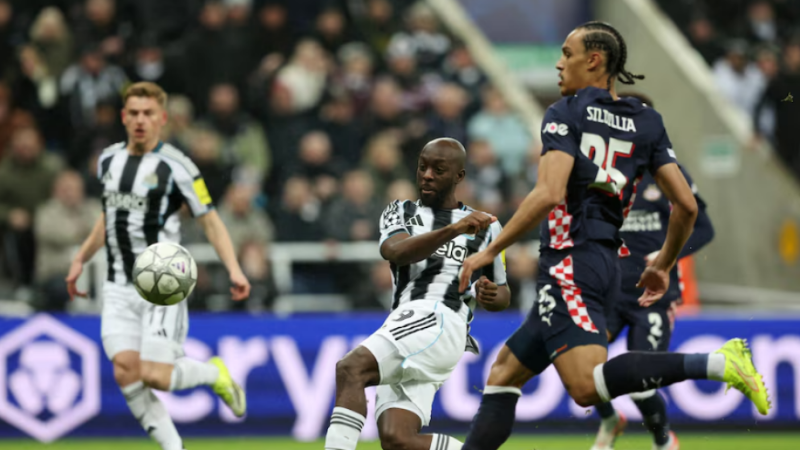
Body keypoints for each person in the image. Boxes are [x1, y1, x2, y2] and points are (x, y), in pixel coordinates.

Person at [456, 22, 770, 450]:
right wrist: (664, 263)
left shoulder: (565, 112)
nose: (559, 63)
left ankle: (717, 363)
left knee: (586, 388)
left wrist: (489, 251)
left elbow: (549, 194)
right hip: (604, 265)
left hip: (569, 261)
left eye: (567, 54)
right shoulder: (647, 122)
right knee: (504, 373)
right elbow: (688, 207)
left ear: (594, 60)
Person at [65, 82, 250, 450]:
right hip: (117, 284)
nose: (140, 120)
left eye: (148, 114)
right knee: (126, 371)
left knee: (156, 376)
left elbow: (210, 220)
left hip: (161, 283)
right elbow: (108, 216)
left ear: (162, 119)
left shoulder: (179, 167)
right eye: (133, 113)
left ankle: (214, 373)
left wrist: (234, 268)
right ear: (123, 117)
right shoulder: (108, 160)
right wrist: (80, 258)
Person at [323, 138, 511, 450]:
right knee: (398, 439)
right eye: (422, 167)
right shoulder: (400, 211)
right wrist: (454, 230)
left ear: (459, 176)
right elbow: (396, 252)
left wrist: (490, 294)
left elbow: (503, 292)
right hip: (406, 320)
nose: (427, 175)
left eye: (438, 170)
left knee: (350, 368)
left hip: (441, 319)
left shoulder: (487, 226)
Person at [589, 93, 716, 450]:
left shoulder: (669, 174)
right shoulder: (602, 174)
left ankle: (663, 440)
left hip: (654, 298)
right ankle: (610, 419)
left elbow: (703, 228)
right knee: (580, 366)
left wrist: (668, 255)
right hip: (608, 294)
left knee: (641, 383)